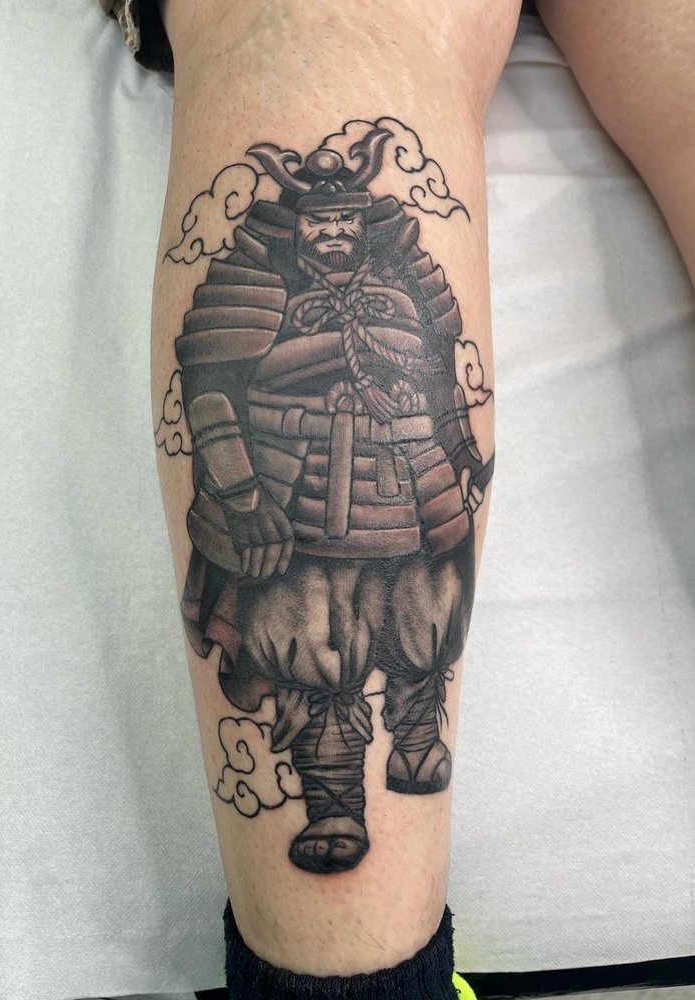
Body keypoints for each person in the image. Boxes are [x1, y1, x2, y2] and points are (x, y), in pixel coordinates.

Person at [100, 0, 695, 997]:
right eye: (321, 223)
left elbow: (445, 371)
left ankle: (416, 734)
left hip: (408, 485)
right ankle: (339, 860)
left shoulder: (405, 279)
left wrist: (455, 454)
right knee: (314, 653)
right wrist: (241, 491)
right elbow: (210, 384)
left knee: (423, 623)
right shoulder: (255, 277)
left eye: (347, 222)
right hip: (297, 493)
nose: (334, 236)